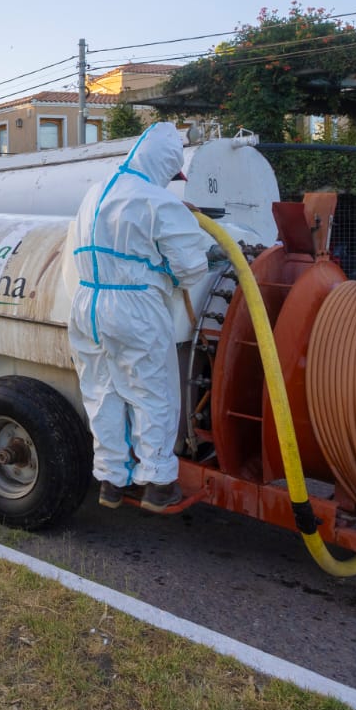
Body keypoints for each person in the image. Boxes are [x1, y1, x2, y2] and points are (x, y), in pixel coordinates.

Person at [62, 122, 212, 512]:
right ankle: (159, 484)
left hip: (86, 303)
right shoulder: (155, 201)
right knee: (151, 391)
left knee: (101, 391)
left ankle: (111, 480)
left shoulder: (96, 191)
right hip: (133, 308)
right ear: (165, 164)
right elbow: (191, 268)